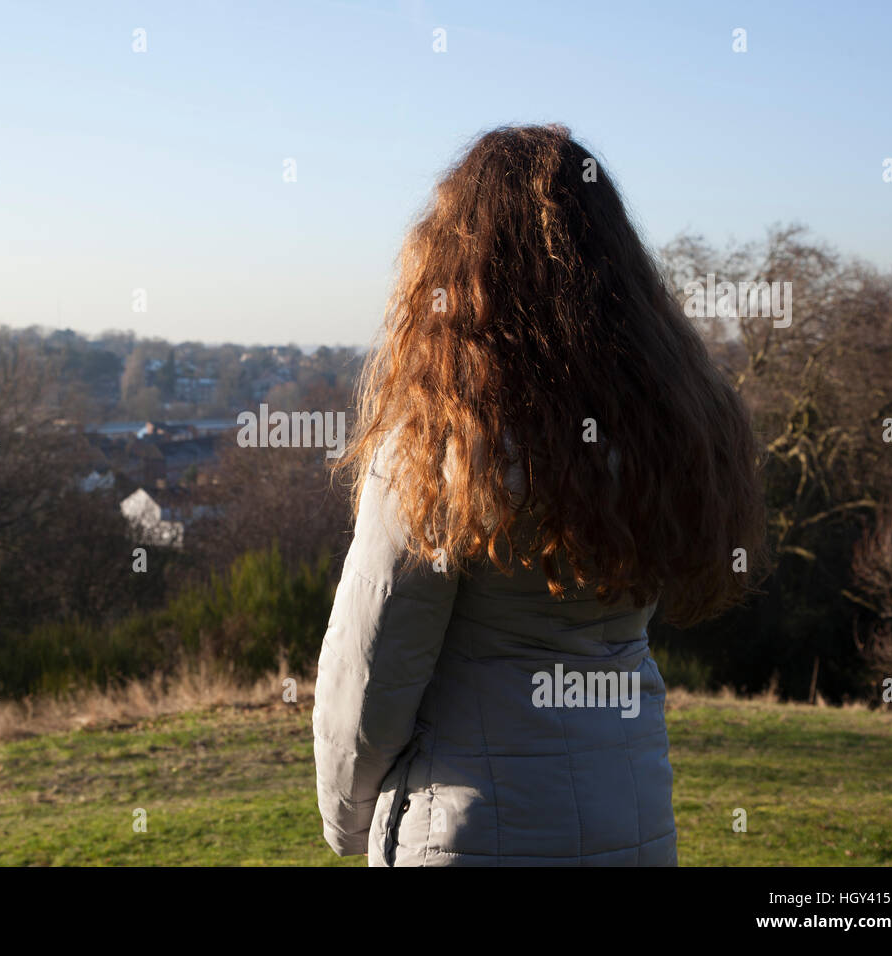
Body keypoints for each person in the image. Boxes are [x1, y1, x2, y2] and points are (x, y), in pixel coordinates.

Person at [313, 124, 769, 866]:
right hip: (635, 824)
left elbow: (370, 670)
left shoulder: (439, 442)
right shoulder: (672, 431)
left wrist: (347, 823)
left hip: (467, 835)